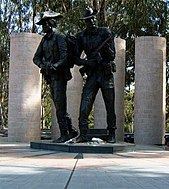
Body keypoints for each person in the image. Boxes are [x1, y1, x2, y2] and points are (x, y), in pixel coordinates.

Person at [33, 10, 78, 143]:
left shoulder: (60, 36)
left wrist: (55, 65)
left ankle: (65, 133)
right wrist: (43, 65)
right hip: (50, 76)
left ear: (51, 23)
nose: (43, 26)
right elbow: (35, 57)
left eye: (44, 23)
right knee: (59, 105)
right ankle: (72, 130)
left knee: (60, 105)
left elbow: (64, 56)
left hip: (59, 76)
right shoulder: (44, 40)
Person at [74, 7, 117, 143]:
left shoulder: (105, 33)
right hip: (92, 74)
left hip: (105, 74)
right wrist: (86, 62)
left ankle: (112, 133)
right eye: (88, 19)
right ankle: (83, 134)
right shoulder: (81, 36)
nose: (92, 21)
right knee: (84, 106)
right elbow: (75, 58)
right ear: (85, 22)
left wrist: (105, 49)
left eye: (93, 18)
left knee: (110, 106)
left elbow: (112, 55)